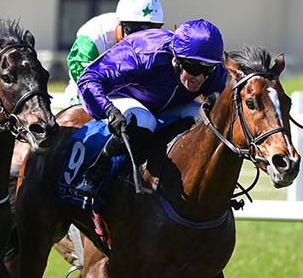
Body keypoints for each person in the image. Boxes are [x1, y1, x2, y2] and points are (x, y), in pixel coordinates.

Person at [74, 18, 228, 199]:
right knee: (145, 121)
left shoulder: (213, 71)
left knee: (207, 121)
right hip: (125, 96)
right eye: (193, 67)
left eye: (208, 68)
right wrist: (108, 109)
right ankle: (98, 169)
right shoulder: (144, 53)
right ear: (176, 59)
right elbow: (88, 78)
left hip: (169, 103)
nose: (200, 77)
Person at [64, 0, 165, 105]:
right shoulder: (93, 36)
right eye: (134, 29)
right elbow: (81, 74)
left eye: (151, 31)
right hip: (88, 92)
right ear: (121, 24)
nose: (140, 39)